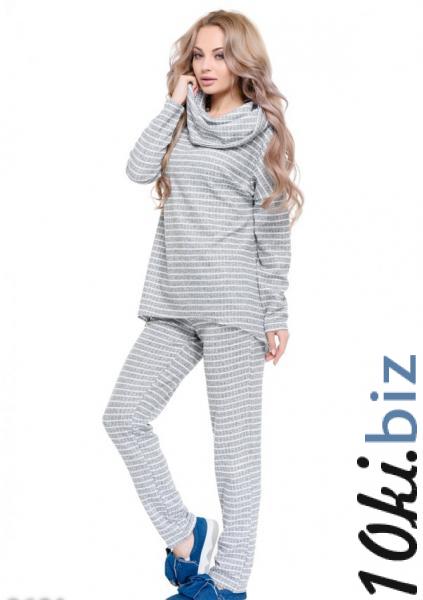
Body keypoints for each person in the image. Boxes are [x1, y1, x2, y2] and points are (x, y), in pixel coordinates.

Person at [102, 9, 303, 600]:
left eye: (220, 55)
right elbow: (137, 170)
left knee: (235, 451)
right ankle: (185, 534)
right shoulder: (182, 119)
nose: (207, 66)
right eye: (199, 54)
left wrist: (276, 313)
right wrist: (173, 103)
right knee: (123, 416)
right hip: (173, 302)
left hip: (235, 308)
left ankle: (230, 583)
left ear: (243, 63)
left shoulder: (262, 137)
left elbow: (272, 232)